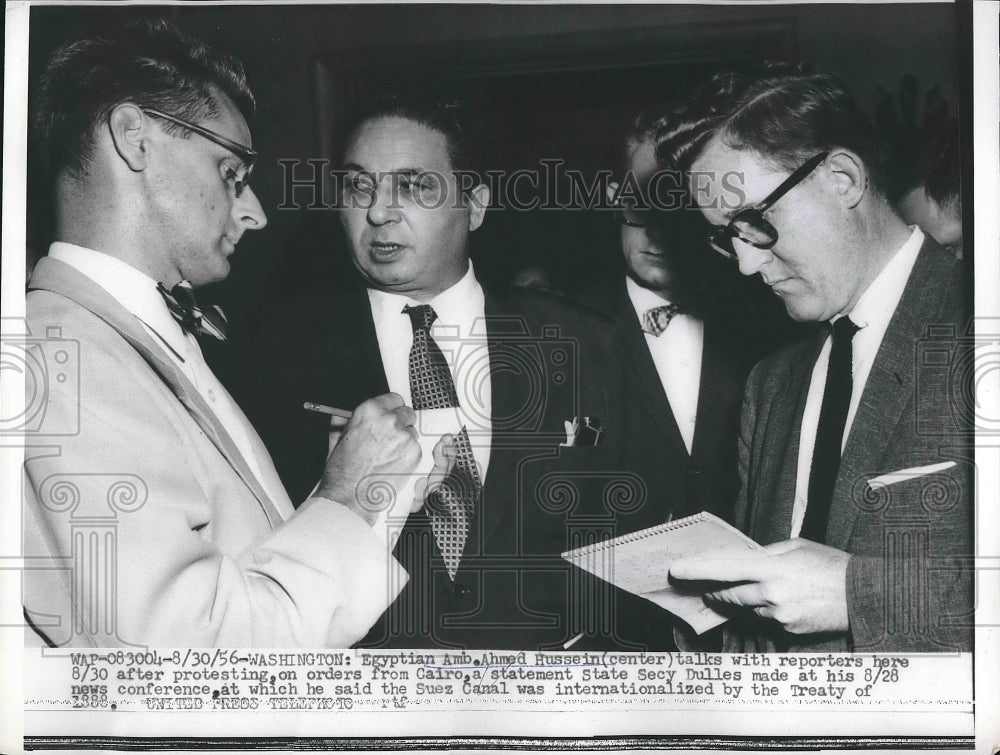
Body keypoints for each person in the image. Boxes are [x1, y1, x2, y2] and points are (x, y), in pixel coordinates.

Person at [23, 20, 450, 648]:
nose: (254, 210)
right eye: (231, 171)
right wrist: (350, 496)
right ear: (134, 139)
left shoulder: (127, 336)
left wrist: (375, 493)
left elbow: (238, 573)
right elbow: (195, 664)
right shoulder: (64, 354)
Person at [222, 91, 620, 650]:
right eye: (360, 186)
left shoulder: (583, 341)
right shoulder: (268, 354)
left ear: (475, 204)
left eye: (414, 186)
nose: (379, 212)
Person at [657, 63, 972, 652]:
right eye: (727, 236)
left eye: (755, 221)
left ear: (843, 177)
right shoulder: (772, 384)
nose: (747, 265)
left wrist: (858, 593)